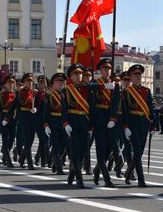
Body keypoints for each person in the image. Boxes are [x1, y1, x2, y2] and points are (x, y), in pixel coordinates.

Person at [122, 64, 155, 187]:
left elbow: (151, 109)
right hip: (133, 124)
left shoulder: (146, 91)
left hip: (144, 124)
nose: (138, 77)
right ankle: (141, 180)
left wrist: (153, 125)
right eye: (135, 75)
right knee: (136, 151)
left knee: (139, 153)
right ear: (130, 77)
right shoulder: (126, 92)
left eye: (139, 75)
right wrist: (125, 126)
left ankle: (128, 172)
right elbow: (124, 111)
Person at [62, 64, 92, 188]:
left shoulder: (88, 88)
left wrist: (91, 125)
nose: (79, 76)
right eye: (76, 74)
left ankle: (72, 172)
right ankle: (80, 179)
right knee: (74, 152)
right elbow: (63, 109)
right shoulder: (67, 90)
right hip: (73, 122)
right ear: (70, 76)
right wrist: (66, 123)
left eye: (80, 74)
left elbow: (92, 107)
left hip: (85, 122)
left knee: (84, 151)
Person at [91, 58, 120, 187]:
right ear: (100, 70)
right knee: (100, 150)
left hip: (111, 120)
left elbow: (116, 103)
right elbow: (88, 87)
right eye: (104, 69)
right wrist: (103, 86)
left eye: (109, 68)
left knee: (109, 150)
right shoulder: (95, 83)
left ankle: (97, 170)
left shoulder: (115, 85)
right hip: (99, 119)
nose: (107, 71)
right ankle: (107, 180)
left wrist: (113, 118)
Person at [44, 72, 68, 174]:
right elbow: (45, 112)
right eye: (58, 82)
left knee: (63, 147)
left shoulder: (66, 95)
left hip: (64, 124)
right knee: (56, 146)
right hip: (53, 123)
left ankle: (55, 162)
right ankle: (59, 168)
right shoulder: (49, 96)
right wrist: (46, 125)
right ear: (53, 84)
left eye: (62, 82)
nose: (60, 84)